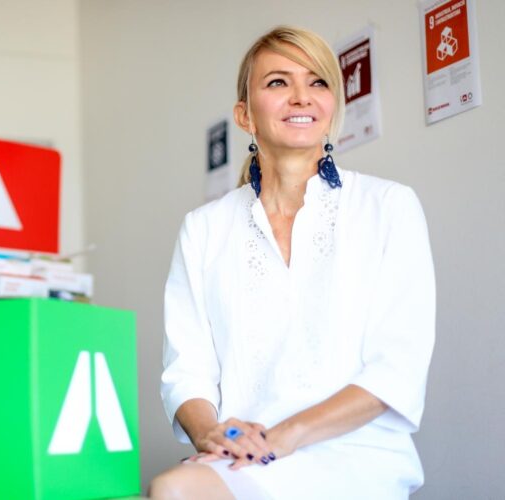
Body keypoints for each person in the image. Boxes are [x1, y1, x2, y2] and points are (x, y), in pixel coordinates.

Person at [150, 26, 435, 499]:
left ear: (332, 105)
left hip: (358, 454)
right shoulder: (203, 228)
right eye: (278, 82)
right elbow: (186, 371)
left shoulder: (388, 206)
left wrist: (286, 437)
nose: (302, 96)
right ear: (245, 114)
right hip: (245, 454)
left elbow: (396, 371)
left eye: (318, 81)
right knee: (172, 488)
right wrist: (213, 434)